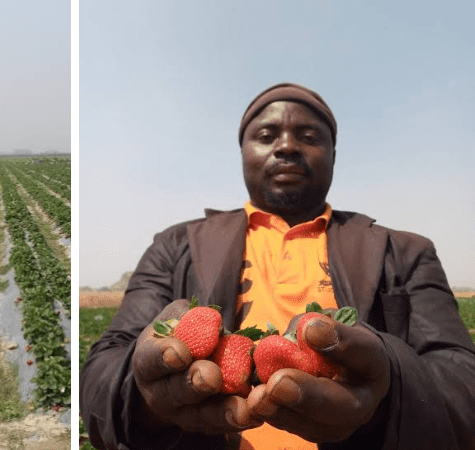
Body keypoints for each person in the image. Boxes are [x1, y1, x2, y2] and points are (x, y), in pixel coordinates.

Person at [79, 83, 475, 450]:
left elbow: (462, 382)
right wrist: (148, 397)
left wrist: (388, 383)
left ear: (333, 154)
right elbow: (104, 366)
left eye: (308, 136)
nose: (287, 147)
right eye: (266, 136)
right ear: (243, 154)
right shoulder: (176, 244)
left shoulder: (404, 250)